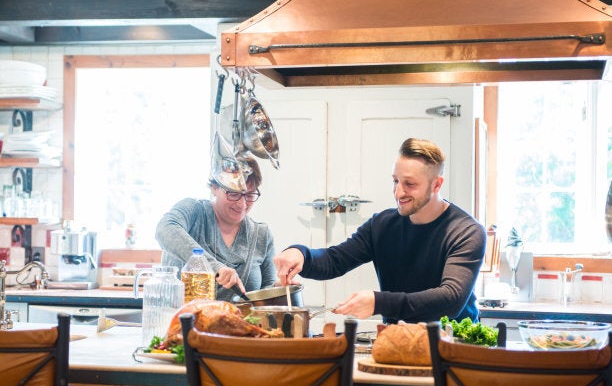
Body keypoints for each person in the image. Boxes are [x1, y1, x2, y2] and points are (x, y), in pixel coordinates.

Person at [274, 138, 486, 323]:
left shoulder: (466, 232)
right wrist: (301, 254)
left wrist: (378, 302)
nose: (398, 192)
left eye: (410, 184)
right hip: (399, 339)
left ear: (436, 185)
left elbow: (451, 299)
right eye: (395, 181)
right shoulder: (382, 225)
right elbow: (334, 260)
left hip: (453, 343)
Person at [156, 156, 276, 301]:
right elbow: (165, 229)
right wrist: (215, 267)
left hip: (240, 323)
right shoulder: (194, 212)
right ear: (214, 187)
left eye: (250, 195)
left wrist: (281, 289)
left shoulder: (261, 235)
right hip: (183, 322)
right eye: (234, 193)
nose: (242, 204)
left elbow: (267, 291)